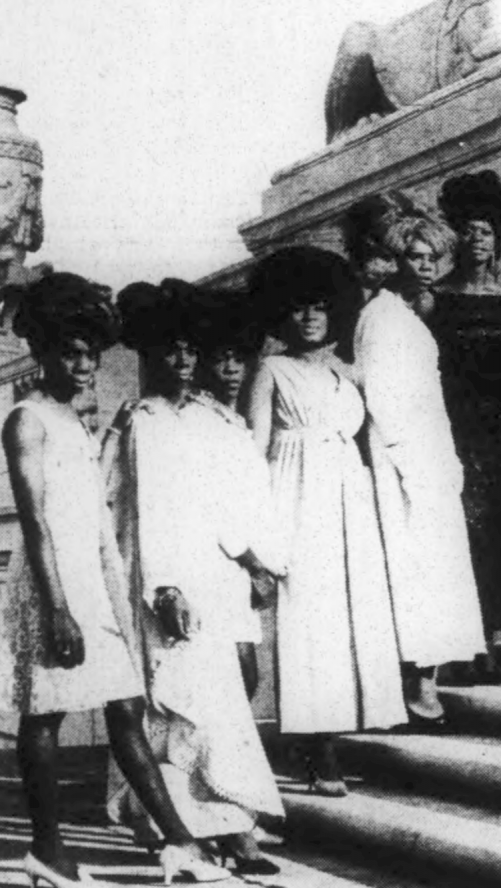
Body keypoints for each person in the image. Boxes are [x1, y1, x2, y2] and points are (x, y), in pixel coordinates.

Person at [0, 272, 227, 888]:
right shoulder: (26, 420)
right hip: (50, 586)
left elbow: (95, 515)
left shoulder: (75, 423)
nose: (82, 366)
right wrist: (56, 608)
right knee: (43, 716)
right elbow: (39, 522)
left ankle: (180, 845)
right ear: (43, 352)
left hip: (92, 585)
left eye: (90, 355)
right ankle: (49, 853)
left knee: (126, 709)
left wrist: (112, 607)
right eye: (68, 353)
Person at [103, 278, 283, 878]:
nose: (181, 360)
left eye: (189, 348)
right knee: (171, 705)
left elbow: (240, 500)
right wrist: (165, 587)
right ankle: (181, 826)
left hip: (217, 574)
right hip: (160, 580)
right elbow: (145, 508)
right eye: (168, 349)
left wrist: (257, 561)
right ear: (150, 354)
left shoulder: (216, 419)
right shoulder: (143, 421)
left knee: (223, 700)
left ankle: (234, 821)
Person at [246, 247, 407, 795]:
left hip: (347, 501)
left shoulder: (347, 372)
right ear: (281, 314)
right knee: (307, 623)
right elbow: (254, 451)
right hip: (295, 498)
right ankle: (315, 749)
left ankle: (340, 732)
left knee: (348, 619)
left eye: (319, 307)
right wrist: (260, 532)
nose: (310, 317)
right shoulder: (271, 369)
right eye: (298, 308)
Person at [352, 212, 486, 726]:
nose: (426, 265)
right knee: (416, 571)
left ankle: (425, 680)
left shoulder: (405, 315)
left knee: (433, 570)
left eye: (432, 256)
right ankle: (416, 685)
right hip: (406, 461)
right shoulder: (382, 317)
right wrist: (414, 466)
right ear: (396, 260)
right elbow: (382, 400)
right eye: (415, 255)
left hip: (426, 457)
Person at [429, 172, 501, 675]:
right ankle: (457, 645)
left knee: (494, 535)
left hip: (497, 434)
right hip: (452, 431)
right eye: (468, 230)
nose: (478, 239)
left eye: (486, 231)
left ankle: (487, 641)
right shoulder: (436, 300)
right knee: (459, 533)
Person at [195, 288, 287, 701]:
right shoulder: (200, 419)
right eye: (221, 359)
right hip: (214, 558)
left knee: (245, 676)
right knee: (234, 674)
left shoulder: (240, 420)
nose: (231, 368)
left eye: (238, 358)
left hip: (240, 562)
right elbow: (210, 502)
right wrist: (252, 564)